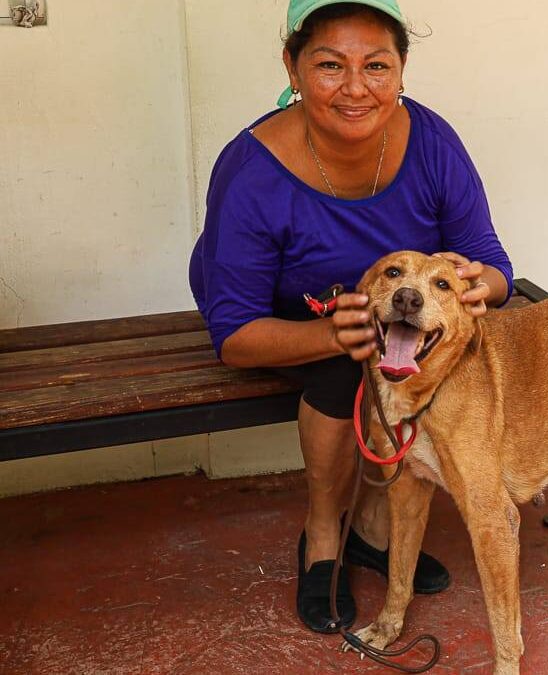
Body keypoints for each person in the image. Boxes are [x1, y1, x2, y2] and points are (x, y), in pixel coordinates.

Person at [188, 0, 513, 634]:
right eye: (331, 65)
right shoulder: (253, 170)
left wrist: (481, 285)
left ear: (402, 70)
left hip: (397, 317)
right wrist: (325, 333)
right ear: (293, 65)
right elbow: (235, 334)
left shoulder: (433, 141)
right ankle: (323, 537)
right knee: (346, 367)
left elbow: (492, 264)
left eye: (377, 66)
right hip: (288, 325)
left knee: (437, 358)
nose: (357, 87)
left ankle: (374, 529)